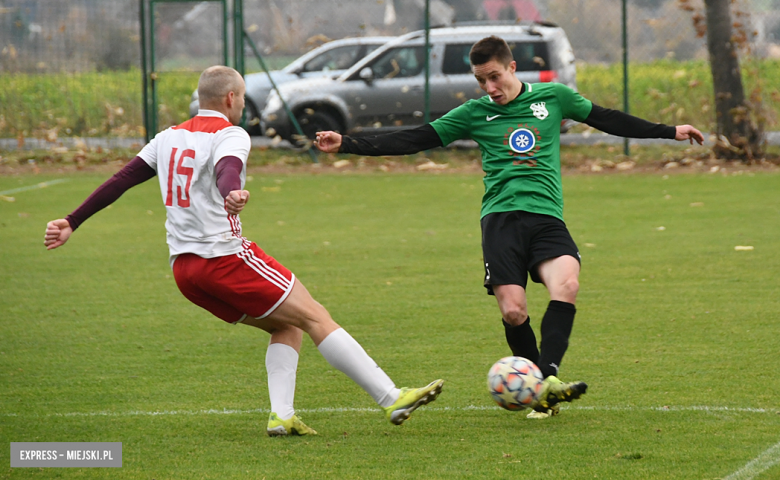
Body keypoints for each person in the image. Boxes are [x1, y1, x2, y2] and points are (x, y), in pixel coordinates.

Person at [315, 36, 704, 419]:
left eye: (495, 77)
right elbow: (416, 138)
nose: (490, 87)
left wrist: (669, 131)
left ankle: (546, 380)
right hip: (500, 221)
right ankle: (540, 392)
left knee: (567, 285)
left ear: (512, 67)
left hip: (546, 216)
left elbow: (606, 118)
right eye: (482, 80)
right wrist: (347, 142)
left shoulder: (554, 97)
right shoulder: (473, 112)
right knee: (514, 312)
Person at [44, 65, 443, 436]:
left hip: (185, 272)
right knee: (316, 316)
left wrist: (72, 220)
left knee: (285, 325)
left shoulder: (166, 137)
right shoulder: (230, 134)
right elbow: (227, 169)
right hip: (224, 258)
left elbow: (121, 179)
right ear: (233, 98)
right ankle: (392, 398)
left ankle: (282, 415)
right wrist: (230, 193)